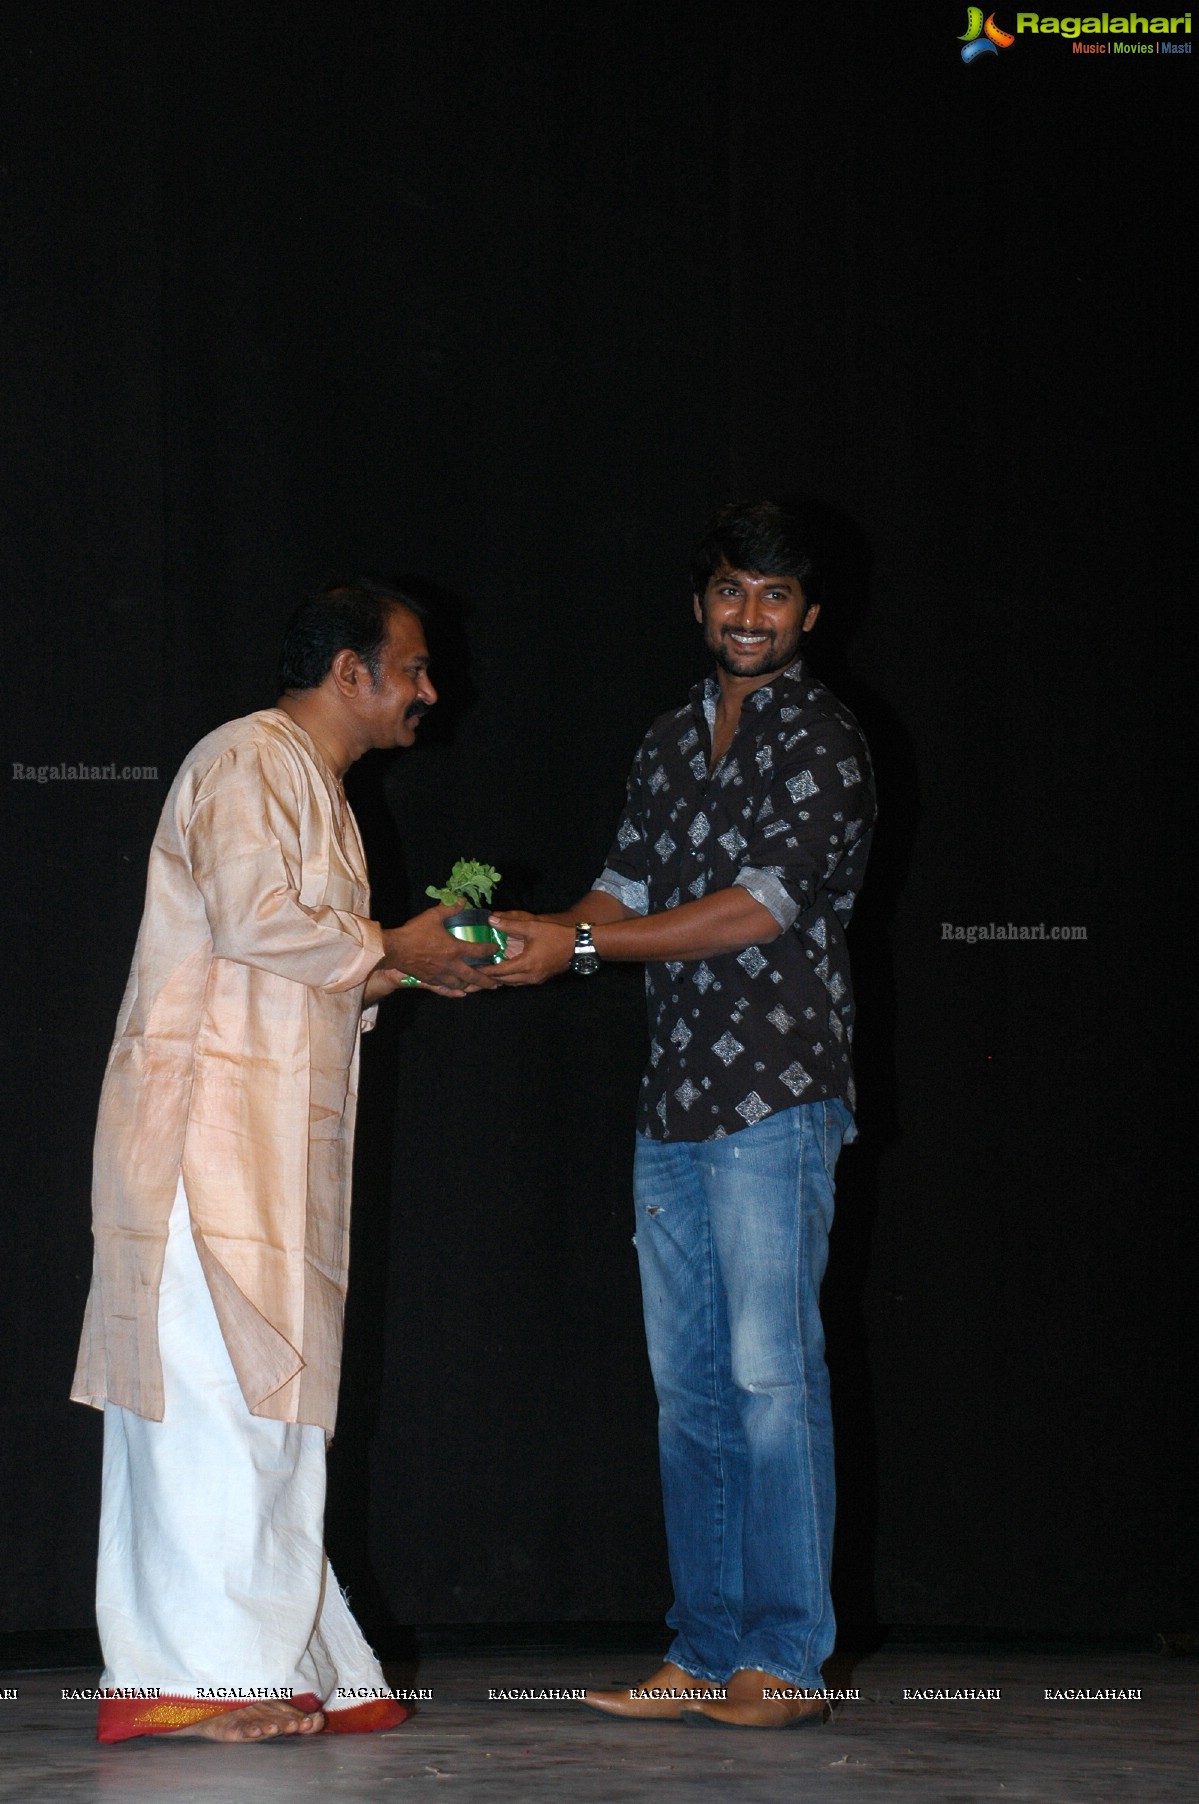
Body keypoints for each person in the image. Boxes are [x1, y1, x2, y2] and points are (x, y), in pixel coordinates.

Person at [71, 581, 504, 1744]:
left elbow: (303, 966)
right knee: (209, 1406)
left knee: (265, 1411)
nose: (427, 689)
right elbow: (261, 916)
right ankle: (193, 1681)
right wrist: (385, 946)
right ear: (348, 674)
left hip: (263, 1145)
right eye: (410, 667)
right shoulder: (244, 759)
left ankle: (271, 1657)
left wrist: (411, 968)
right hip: (196, 1139)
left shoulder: (320, 793)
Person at [492, 502, 876, 1730]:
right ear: (699, 604)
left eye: (773, 596)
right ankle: (704, 1648)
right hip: (673, 1099)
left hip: (775, 1097)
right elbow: (630, 883)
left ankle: (785, 1659)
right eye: (728, 591)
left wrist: (581, 946)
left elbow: (755, 908)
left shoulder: (823, 739)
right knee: (692, 1390)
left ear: (807, 617)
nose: (747, 615)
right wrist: (532, 938)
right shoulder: (664, 741)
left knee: (771, 1380)